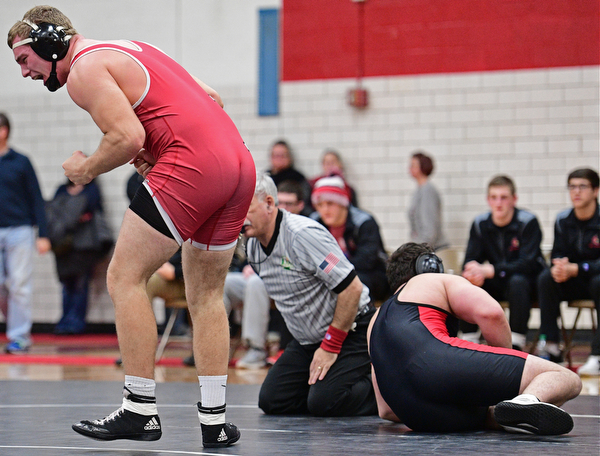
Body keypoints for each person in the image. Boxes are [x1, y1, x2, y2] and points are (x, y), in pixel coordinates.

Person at [9, 6, 256, 447]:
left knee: (124, 276)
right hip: (238, 163)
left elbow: (127, 138)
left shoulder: (83, 68)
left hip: (194, 164)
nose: (25, 72)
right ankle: (215, 421)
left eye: (25, 59)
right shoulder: (135, 47)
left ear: (50, 43)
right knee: (206, 296)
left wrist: (85, 170)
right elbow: (212, 98)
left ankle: (139, 409)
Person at [368, 242, 582, 435]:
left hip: (417, 415)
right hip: (435, 363)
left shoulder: (374, 321)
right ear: (429, 266)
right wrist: (507, 370)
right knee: (565, 378)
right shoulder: (431, 280)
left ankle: (509, 414)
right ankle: (524, 400)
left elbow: (385, 410)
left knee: (492, 413)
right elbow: (491, 313)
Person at [244, 173, 377, 416]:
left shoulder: (302, 235)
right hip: (308, 341)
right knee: (272, 400)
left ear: (270, 204)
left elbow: (352, 288)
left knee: (325, 402)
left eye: (246, 208)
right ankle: (325, 389)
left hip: (351, 331)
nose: (239, 217)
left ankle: (381, 386)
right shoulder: (252, 246)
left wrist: (330, 345)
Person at [461, 175, 546, 351]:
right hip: (497, 282)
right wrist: (472, 273)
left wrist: (492, 270)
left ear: (514, 199)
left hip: (527, 283)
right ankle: (468, 339)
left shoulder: (528, 221)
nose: (498, 203)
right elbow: (470, 260)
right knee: (467, 283)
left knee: (517, 281)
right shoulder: (480, 223)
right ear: (488, 200)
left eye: (504, 197)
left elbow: (528, 264)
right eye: (493, 197)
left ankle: (516, 341)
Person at [537, 168, 600, 375]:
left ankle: (597, 355)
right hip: (574, 281)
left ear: (596, 190)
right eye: (572, 186)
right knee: (546, 278)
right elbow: (558, 253)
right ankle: (552, 346)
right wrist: (560, 268)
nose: (576, 192)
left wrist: (579, 268)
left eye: (582, 186)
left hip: (594, 280)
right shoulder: (563, 220)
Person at [0, 112, 51, 353]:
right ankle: (13, 325)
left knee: (19, 284)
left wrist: (43, 234)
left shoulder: (21, 162)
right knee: (2, 286)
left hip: (19, 230)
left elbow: (37, 200)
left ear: (4, 131)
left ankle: (19, 335)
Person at [46, 179, 112, 334]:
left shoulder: (91, 189)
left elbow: (94, 210)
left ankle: (75, 322)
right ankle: (65, 320)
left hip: (84, 245)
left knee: (80, 284)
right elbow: (54, 212)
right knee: (67, 284)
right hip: (64, 244)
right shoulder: (62, 188)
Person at [310, 175, 389, 302]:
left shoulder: (364, 222)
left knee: (354, 282)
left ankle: (364, 320)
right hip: (333, 273)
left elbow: (366, 260)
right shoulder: (314, 223)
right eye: (320, 204)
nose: (325, 210)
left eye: (330, 203)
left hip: (371, 275)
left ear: (342, 204)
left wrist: (331, 269)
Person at [407, 151, 448, 251]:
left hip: (434, 250)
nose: (409, 168)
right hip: (424, 247)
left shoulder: (427, 191)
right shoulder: (419, 190)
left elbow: (429, 228)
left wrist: (419, 250)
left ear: (422, 167)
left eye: (413, 165)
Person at [266, 139, 312, 211]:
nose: (279, 159)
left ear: (289, 157)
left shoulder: (298, 177)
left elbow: (305, 202)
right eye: (276, 155)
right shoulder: (266, 177)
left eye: (282, 155)